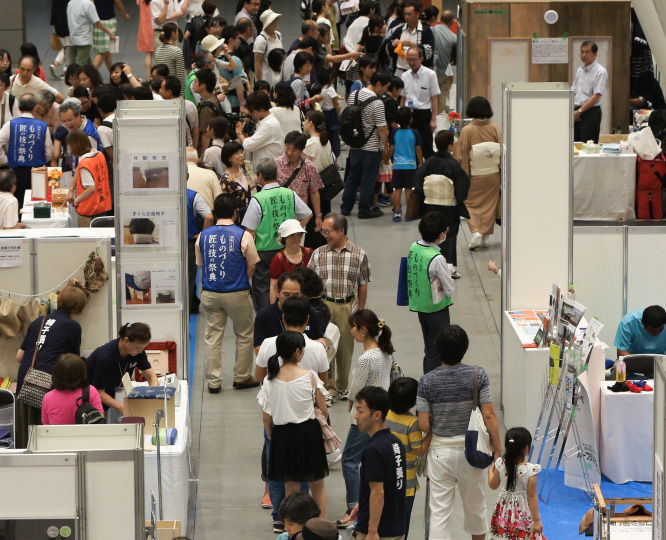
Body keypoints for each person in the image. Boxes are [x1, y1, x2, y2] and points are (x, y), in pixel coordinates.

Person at [417, 324, 502, 540]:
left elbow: (424, 424)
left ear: (438, 350)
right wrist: (498, 450)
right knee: (475, 508)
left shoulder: (426, 381)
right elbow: (489, 415)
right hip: (472, 452)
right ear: (465, 348)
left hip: (439, 454)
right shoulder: (478, 375)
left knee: (439, 513)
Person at [258, 331, 329, 518]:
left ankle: (293, 529)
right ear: (298, 352)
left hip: (282, 434)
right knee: (318, 486)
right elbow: (323, 408)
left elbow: (266, 416)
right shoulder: (309, 376)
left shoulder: (270, 379)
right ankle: (321, 528)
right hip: (309, 433)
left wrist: (272, 435)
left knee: (291, 487)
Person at [197, 193, 260, 392]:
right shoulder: (243, 235)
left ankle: (214, 382)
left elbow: (201, 264)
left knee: (213, 336)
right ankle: (241, 377)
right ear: (235, 213)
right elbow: (252, 265)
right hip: (238, 292)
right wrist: (243, 278)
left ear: (214, 214)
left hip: (210, 293)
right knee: (244, 334)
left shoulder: (203, 236)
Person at [337, 310, 395, 528]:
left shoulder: (366, 357)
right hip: (381, 415)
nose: (351, 331)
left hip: (364, 416)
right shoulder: (385, 352)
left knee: (349, 461)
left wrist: (352, 400)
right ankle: (367, 506)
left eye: (354, 327)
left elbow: (355, 389)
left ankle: (353, 508)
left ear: (363, 329)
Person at [15, 282, 89, 447]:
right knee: (46, 439)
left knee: (26, 439)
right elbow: (72, 363)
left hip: (25, 384)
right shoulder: (73, 326)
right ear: (78, 308)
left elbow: (19, 356)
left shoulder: (38, 321)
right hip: (48, 387)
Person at [309, 213, 371, 400]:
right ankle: (328, 387)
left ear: (341, 230)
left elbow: (363, 283)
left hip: (347, 306)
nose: (325, 235)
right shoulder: (318, 253)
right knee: (325, 348)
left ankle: (343, 386)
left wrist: (359, 309)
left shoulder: (359, 254)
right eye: (323, 232)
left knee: (345, 348)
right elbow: (309, 281)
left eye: (328, 232)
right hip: (323, 305)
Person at [241, 158, 312, 311]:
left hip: (264, 252)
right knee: (289, 287)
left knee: (263, 288)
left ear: (259, 176)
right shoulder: (289, 194)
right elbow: (307, 214)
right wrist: (294, 232)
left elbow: (250, 232)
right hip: (287, 250)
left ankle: (266, 319)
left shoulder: (258, 199)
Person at [348, 386, 406, 540]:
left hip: (378, 531)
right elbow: (392, 484)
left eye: (361, 411)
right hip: (396, 526)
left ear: (377, 415)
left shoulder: (373, 450)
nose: (356, 416)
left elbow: (378, 492)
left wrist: (372, 531)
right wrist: (362, 504)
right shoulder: (396, 443)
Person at [415, 130, 470, 278]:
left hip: (430, 203)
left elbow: (419, 179)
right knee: (449, 233)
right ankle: (448, 267)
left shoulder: (429, 162)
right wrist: (457, 200)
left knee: (431, 231)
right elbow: (463, 184)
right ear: (450, 146)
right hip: (448, 206)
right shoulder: (453, 165)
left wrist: (423, 197)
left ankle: (429, 263)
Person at [408, 212, 455, 373]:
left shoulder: (415, 246)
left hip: (421, 307)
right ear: (441, 234)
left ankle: (428, 381)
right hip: (437, 310)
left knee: (429, 348)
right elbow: (449, 289)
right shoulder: (437, 258)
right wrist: (449, 272)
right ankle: (431, 386)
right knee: (438, 351)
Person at [339, 72, 390, 219]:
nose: (385, 91)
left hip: (355, 144)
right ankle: (364, 209)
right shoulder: (377, 103)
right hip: (372, 147)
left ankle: (346, 207)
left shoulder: (354, 95)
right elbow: (382, 128)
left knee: (352, 177)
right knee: (368, 178)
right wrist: (385, 148)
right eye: (385, 87)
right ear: (378, 84)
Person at [385, 377, 431, 539]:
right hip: (405, 482)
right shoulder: (412, 423)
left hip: (385, 477)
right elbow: (419, 451)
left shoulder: (385, 414)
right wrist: (431, 431)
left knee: (387, 520)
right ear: (413, 403)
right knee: (402, 524)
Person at [453, 96, 501, 250]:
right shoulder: (494, 128)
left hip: (474, 174)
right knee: (489, 204)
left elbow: (460, 153)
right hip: (493, 173)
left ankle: (476, 233)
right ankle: (485, 236)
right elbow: (501, 150)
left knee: (471, 204)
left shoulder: (468, 130)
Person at [86, 323, 159, 418]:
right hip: (91, 402)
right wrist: (121, 407)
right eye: (138, 348)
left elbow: (151, 376)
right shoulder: (105, 358)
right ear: (126, 340)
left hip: (112, 396)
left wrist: (153, 395)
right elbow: (98, 392)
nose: (141, 351)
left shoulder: (137, 352)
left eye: (143, 348)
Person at [0, 93, 53, 212]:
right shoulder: (42, 126)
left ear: (18, 107)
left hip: (17, 171)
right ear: (35, 107)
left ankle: (18, 224)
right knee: (38, 204)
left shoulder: (10, 125)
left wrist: (6, 160)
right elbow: (49, 152)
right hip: (38, 170)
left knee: (18, 203)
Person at [488, 427, 543, 540]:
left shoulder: (500, 464)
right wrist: (537, 521)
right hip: (522, 512)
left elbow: (493, 485)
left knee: (503, 534)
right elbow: (532, 497)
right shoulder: (531, 470)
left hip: (504, 510)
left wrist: (490, 470)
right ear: (527, 448)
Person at [253, 271, 325, 354]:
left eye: (296, 295)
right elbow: (258, 349)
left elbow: (320, 338)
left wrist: (320, 344)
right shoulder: (264, 315)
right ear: (277, 292)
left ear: (302, 294)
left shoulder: (310, 312)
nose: (291, 299)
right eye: (286, 294)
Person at [277, 131, 325, 243]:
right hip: (278, 216)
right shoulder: (276, 164)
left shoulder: (309, 167)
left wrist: (318, 216)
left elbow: (314, 192)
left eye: (293, 150)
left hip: (300, 220)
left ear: (301, 151)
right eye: (287, 148)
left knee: (297, 249)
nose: (289, 152)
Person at [65, 129, 112, 227]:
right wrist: (71, 189)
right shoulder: (98, 153)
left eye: (70, 146)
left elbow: (91, 188)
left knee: (88, 239)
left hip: (88, 208)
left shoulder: (84, 163)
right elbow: (79, 168)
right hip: (102, 204)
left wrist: (76, 200)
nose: (70, 150)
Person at [42, 353, 104, 426]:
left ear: (56, 373)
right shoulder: (91, 391)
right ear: (82, 372)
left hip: (57, 437)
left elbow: (46, 427)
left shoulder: (48, 397)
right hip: (85, 436)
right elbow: (100, 421)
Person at [400, 46, 439, 158]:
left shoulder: (430, 74)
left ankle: (429, 172)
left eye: (414, 59)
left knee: (426, 146)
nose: (411, 62)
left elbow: (434, 98)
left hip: (424, 114)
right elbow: (403, 98)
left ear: (421, 59)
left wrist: (433, 119)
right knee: (409, 146)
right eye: (409, 59)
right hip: (409, 114)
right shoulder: (404, 75)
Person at [389, 106, 422, 222]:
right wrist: (420, 163)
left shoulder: (395, 132)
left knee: (397, 190)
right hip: (410, 166)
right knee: (408, 189)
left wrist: (386, 158)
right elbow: (418, 149)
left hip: (398, 166)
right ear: (411, 120)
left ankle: (397, 212)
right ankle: (409, 213)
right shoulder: (415, 133)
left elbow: (391, 148)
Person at [236, 91, 284, 169]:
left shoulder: (269, 125)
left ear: (261, 109)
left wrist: (239, 133)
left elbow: (248, 145)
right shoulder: (266, 121)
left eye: (252, 111)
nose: (250, 114)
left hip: (268, 171)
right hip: (265, 168)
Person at [572, 41, 608, 144]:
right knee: (574, 146)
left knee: (588, 147)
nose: (583, 55)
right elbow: (574, 91)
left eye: (587, 52)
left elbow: (596, 97)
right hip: (576, 112)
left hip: (590, 113)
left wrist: (579, 112)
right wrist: (574, 112)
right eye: (582, 52)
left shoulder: (600, 71)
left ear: (595, 54)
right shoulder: (580, 70)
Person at [269, 220, 313, 303]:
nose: (296, 238)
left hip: (307, 302)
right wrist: (273, 309)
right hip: (286, 303)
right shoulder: (278, 259)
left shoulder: (309, 252)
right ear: (284, 238)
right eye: (292, 235)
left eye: (299, 235)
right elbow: (273, 287)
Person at [186, 185, 214, 313]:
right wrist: (203, 235)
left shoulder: (161, 196)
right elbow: (209, 217)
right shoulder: (193, 195)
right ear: (186, 176)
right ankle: (189, 308)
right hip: (189, 243)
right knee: (189, 279)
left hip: (164, 244)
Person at [388, 1, 435, 75]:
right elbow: (389, 48)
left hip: (418, 73)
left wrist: (414, 45)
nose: (406, 17)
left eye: (409, 14)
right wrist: (393, 43)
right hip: (399, 71)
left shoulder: (425, 30)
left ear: (417, 14)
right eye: (405, 14)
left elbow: (429, 51)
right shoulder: (399, 30)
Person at [67, 0, 116, 66]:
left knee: (87, 65)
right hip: (84, 39)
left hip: (73, 38)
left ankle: (90, 75)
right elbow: (97, 22)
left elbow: (70, 20)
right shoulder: (88, 4)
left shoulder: (71, 2)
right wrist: (110, 33)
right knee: (79, 66)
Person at [218, 140, 252, 223]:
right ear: (229, 158)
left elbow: (243, 191)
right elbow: (226, 203)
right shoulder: (226, 179)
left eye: (241, 152)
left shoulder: (242, 169)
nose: (241, 155)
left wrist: (253, 184)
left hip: (249, 213)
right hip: (237, 218)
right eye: (237, 153)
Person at [92, 0, 129, 71]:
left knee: (107, 50)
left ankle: (112, 73)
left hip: (97, 22)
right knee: (103, 51)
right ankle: (90, 75)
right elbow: (119, 4)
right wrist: (125, 15)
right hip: (108, 21)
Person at [432, 11, 456, 115]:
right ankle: (438, 120)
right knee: (441, 97)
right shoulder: (454, 37)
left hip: (429, 70)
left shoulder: (431, 30)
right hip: (444, 73)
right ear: (451, 21)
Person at [154, 22, 186, 92]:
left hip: (161, 89)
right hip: (172, 90)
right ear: (173, 33)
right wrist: (182, 93)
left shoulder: (158, 49)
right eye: (177, 31)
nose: (178, 33)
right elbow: (180, 75)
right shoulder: (177, 51)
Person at [254, 10, 283, 83]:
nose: (276, 22)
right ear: (268, 23)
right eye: (273, 21)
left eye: (276, 20)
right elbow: (257, 63)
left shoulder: (278, 35)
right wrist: (260, 83)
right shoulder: (261, 39)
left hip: (279, 77)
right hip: (266, 79)